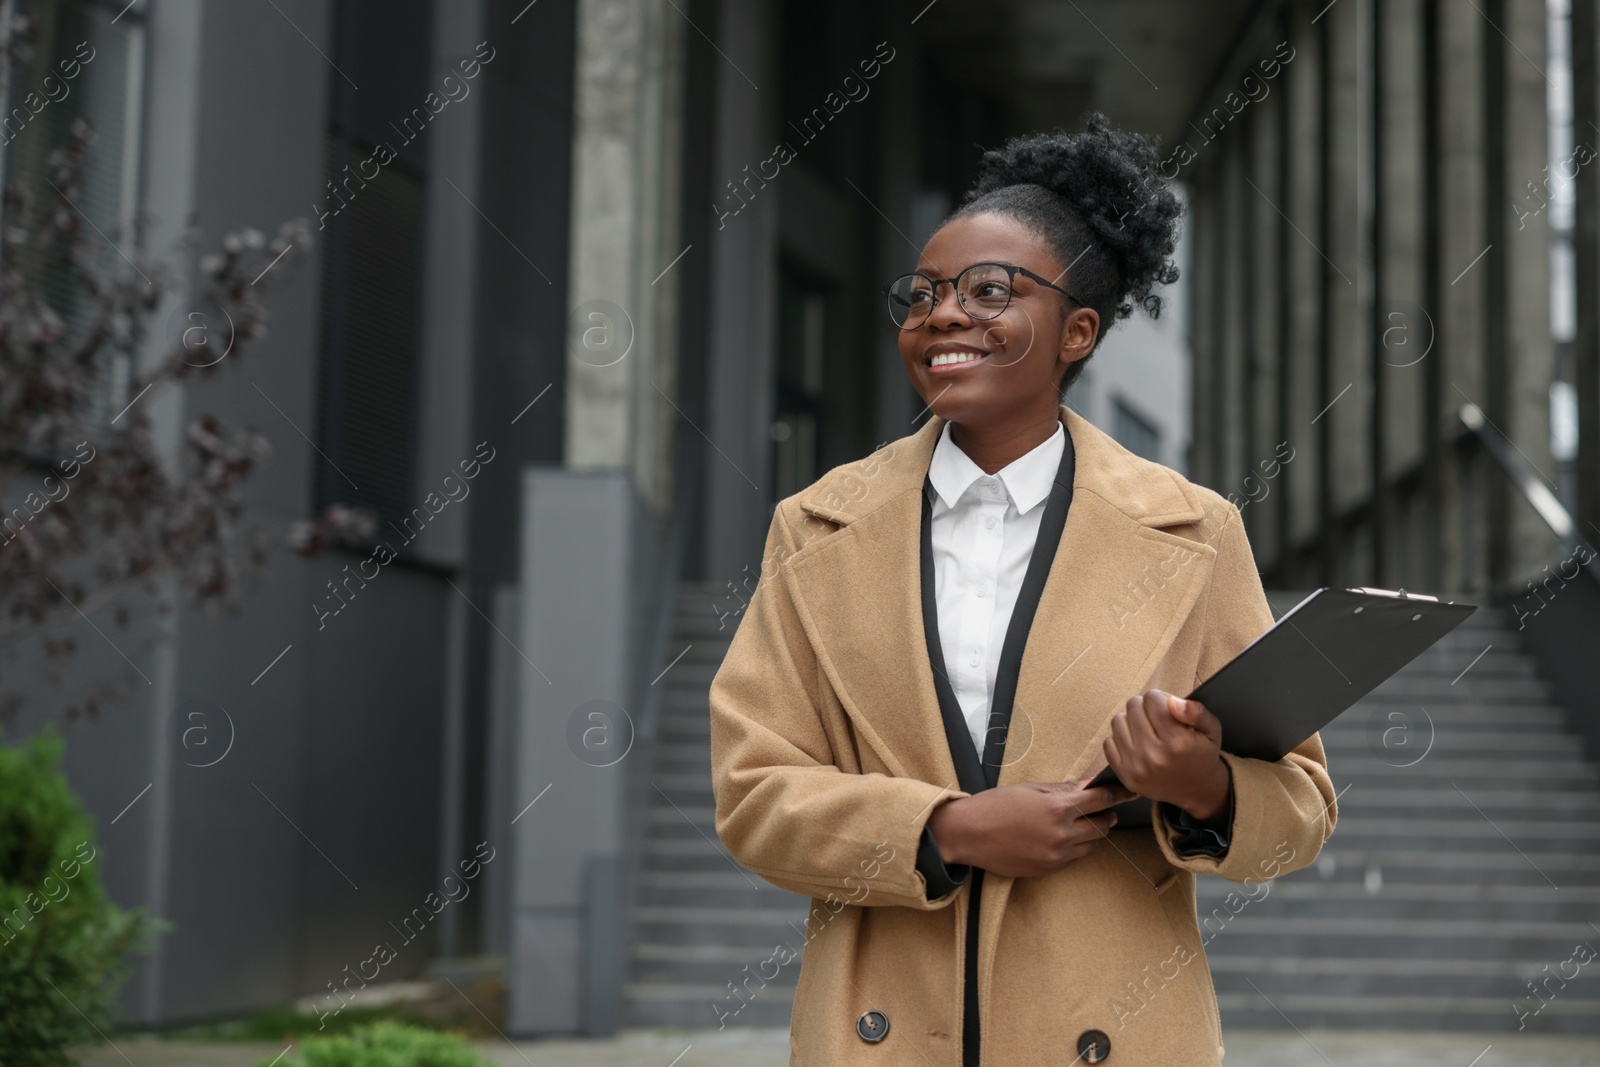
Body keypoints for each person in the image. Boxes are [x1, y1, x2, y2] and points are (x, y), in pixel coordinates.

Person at [709, 112, 1336, 1067]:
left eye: (989, 289)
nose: (944, 314)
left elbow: (1299, 812)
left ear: (1077, 331)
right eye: (921, 294)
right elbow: (754, 795)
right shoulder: (816, 526)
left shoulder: (1194, 531)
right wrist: (945, 827)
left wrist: (1197, 784)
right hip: (878, 1033)